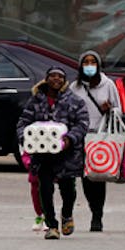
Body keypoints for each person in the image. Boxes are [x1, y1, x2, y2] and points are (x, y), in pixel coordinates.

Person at [15, 67, 90, 239]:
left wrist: (70, 139)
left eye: (60, 76)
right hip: (42, 154)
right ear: (46, 79)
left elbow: (82, 123)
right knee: (45, 189)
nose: (56, 79)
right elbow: (23, 123)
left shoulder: (75, 101)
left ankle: (67, 215)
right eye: (52, 76)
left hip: (67, 154)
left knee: (68, 189)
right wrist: (25, 139)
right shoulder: (35, 100)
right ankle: (52, 226)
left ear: (64, 80)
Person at [72, 49, 123, 232]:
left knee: (98, 176)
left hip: (100, 137)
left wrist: (109, 109)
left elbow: (119, 111)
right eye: (86, 62)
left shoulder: (108, 84)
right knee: (86, 177)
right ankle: (92, 207)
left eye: (93, 62)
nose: (89, 66)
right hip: (81, 137)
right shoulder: (75, 87)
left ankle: (97, 215)